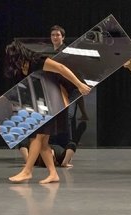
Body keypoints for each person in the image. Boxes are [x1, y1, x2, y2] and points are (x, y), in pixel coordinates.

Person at [5, 50, 91, 184]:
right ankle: (53, 174)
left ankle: (27, 171)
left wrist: (79, 85)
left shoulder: (38, 61)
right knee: (43, 142)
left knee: (37, 137)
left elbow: (61, 69)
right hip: (42, 105)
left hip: (54, 102)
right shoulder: (22, 69)